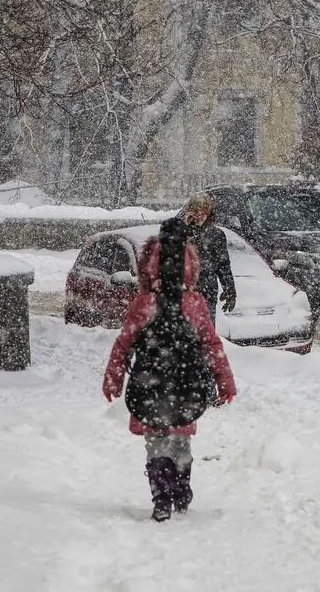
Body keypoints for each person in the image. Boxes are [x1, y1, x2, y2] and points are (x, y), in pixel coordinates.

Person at [102, 219, 237, 522]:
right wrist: (225, 382)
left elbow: (124, 345)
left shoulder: (143, 304)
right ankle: (181, 491)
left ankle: (161, 496)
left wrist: (114, 380)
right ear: (192, 266)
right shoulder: (196, 303)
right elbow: (212, 345)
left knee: (156, 443)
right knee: (180, 441)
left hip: (150, 386)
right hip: (185, 384)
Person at [178, 193, 237, 325]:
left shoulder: (216, 235)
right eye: (196, 211)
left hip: (207, 292)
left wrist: (230, 291)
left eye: (203, 212)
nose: (199, 216)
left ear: (209, 213)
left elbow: (223, 265)